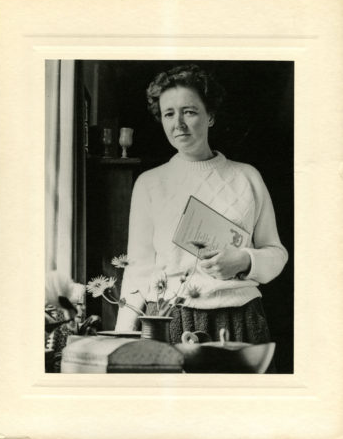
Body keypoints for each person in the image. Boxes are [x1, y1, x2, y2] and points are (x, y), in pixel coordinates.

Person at [115, 64, 288, 349]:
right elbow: (139, 267)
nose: (178, 124)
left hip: (240, 317)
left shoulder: (247, 177)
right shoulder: (150, 183)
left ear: (211, 117)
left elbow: (276, 253)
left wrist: (245, 260)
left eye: (190, 112)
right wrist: (123, 337)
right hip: (169, 319)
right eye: (169, 114)